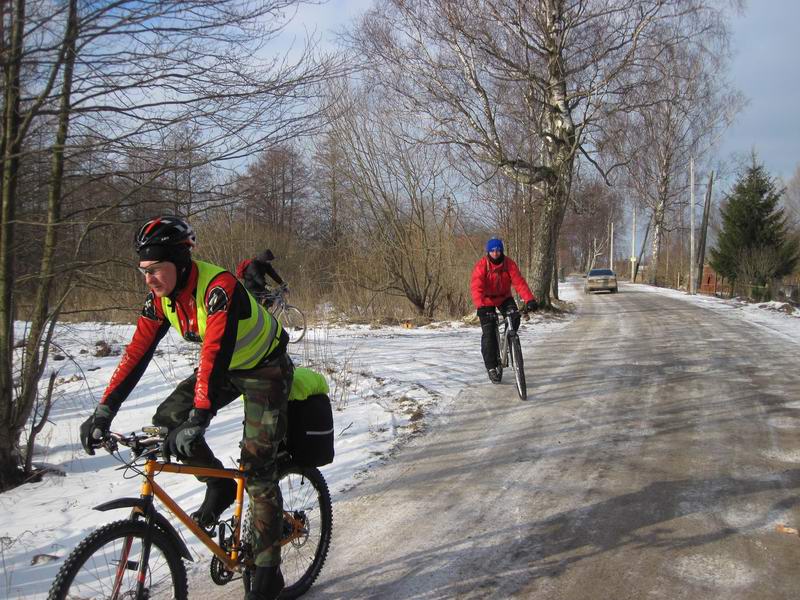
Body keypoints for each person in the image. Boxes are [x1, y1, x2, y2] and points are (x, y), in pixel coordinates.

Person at [79, 216, 291, 600]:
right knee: (165, 422)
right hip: (225, 369)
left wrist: (200, 417)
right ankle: (219, 485)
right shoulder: (159, 299)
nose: (149, 280)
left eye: (156, 270)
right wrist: (104, 409)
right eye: (143, 271)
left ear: (179, 263)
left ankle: (267, 569)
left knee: (258, 467)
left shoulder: (218, 288)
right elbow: (136, 353)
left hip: (265, 368)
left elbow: (215, 351)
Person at [470, 238, 538, 383]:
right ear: (488, 252)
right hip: (486, 300)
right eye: (492, 250)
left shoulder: (509, 264)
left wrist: (529, 299)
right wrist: (480, 306)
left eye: (498, 250)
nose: (495, 253)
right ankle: (492, 367)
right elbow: (477, 288)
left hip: (504, 298)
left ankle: (509, 339)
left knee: (515, 317)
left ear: (502, 251)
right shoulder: (482, 266)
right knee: (488, 334)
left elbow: (519, 283)